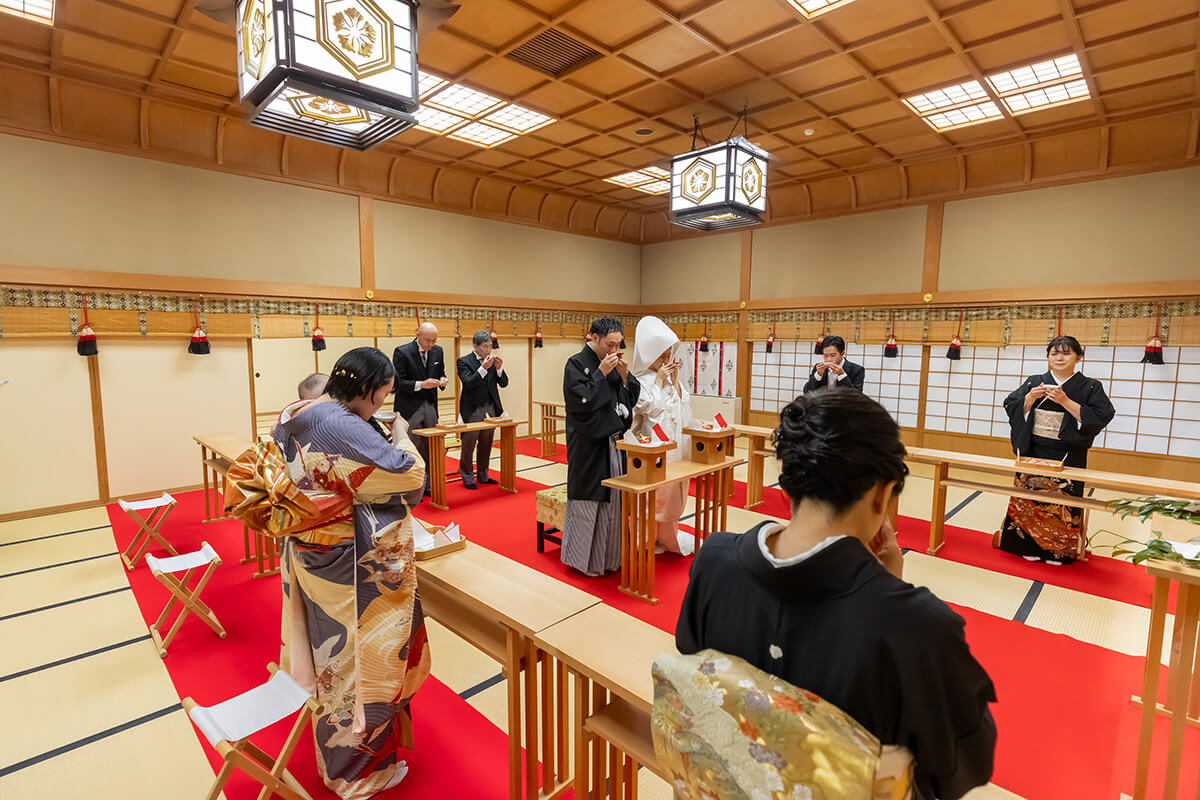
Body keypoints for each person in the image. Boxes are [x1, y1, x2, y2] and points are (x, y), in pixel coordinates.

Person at [676, 390, 997, 800]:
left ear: (786, 481)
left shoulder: (714, 560)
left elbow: (693, 659)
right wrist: (891, 591)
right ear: (882, 494)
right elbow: (959, 768)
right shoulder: (918, 626)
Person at [273, 347, 430, 800]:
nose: (381, 406)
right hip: (347, 564)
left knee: (328, 657)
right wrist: (400, 435)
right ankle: (355, 776)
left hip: (308, 551)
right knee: (354, 665)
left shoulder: (302, 410)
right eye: (380, 397)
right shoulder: (341, 425)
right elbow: (407, 479)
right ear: (363, 389)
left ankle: (338, 759)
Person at [995, 335, 1115, 564]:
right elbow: (1011, 405)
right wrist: (1029, 398)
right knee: (1027, 500)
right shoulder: (1035, 381)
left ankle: (1058, 550)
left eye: (1066, 352)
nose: (1060, 357)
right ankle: (1025, 544)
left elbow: (1102, 416)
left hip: (1068, 453)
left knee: (1063, 503)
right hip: (1033, 450)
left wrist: (1065, 401)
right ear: (1048, 357)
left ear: (1078, 357)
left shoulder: (1091, 386)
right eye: (1054, 353)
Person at [561, 317, 641, 576]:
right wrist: (601, 374)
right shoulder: (576, 363)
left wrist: (625, 376)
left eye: (618, 344)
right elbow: (579, 401)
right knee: (589, 500)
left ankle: (609, 559)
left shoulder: (614, 363)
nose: (614, 350)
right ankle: (583, 562)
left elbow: (627, 400)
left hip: (613, 442)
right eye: (609, 343)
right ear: (593, 337)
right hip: (588, 443)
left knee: (614, 501)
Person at [626, 316, 694, 555]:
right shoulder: (640, 380)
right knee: (652, 497)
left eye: (668, 355)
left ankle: (668, 538)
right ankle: (644, 541)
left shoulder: (670, 377)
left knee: (673, 495)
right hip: (653, 448)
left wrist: (674, 383)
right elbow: (647, 410)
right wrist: (658, 381)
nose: (667, 359)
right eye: (662, 355)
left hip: (674, 448)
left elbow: (683, 407)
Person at [392, 323, 447, 497]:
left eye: (434, 340)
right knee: (412, 447)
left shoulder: (438, 351)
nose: (431, 344)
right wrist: (421, 384)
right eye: (427, 340)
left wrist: (443, 380)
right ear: (417, 334)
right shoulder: (402, 352)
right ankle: (412, 486)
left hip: (430, 404)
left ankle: (429, 484)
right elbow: (397, 383)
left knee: (431, 446)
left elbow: (441, 372)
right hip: (410, 406)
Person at [456, 329, 509, 490]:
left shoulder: (492, 361)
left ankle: (483, 475)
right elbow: (469, 383)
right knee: (469, 444)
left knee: (486, 443)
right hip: (472, 409)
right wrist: (483, 368)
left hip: (490, 408)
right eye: (485, 346)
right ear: (475, 346)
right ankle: (467, 477)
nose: (488, 349)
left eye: (490, 346)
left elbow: (504, 383)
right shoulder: (464, 361)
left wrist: (499, 369)